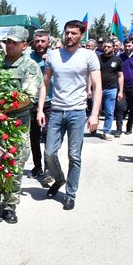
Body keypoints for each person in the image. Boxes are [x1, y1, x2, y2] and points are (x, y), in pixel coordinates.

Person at [36, 20, 102, 210]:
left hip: (77, 112)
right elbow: (45, 83)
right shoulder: (53, 55)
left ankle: (71, 193)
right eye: (67, 33)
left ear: (81, 35)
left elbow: (97, 86)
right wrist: (41, 109)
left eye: (73, 33)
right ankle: (59, 179)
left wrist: (94, 114)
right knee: (49, 153)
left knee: (75, 156)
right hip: (56, 110)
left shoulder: (89, 56)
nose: (69, 36)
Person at [0, 26, 43, 223]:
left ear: (24, 45)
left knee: (14, 166)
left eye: (14, 42)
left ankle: (9, 205)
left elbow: (27, 97)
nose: (10, 45)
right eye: (8, 41)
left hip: (18, 125)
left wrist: (0, 108)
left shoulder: (30, 66)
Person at [29, 29, 52, 179]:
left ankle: (49, 169)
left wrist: (49, 63)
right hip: (32, 102)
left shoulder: (54, 57)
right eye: (37, 41)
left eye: (43, 41)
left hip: (51, 103)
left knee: (50, 137)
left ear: (48, 42)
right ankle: (38, 167)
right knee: (34, 137)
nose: (40, 44)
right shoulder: (27, 58)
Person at [97, 40, 124, 140]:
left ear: (113, 48)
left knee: (109, 111)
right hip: (98, 89)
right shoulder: (98, 58)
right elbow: (91, 74)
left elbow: (120, 76)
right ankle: (93, 127)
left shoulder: (117, 59)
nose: (106, 48)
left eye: (108, 47)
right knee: (96, 110)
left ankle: (106, 131)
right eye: (105, 46)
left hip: (111, 89)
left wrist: (120, 91)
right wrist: (89, 89)